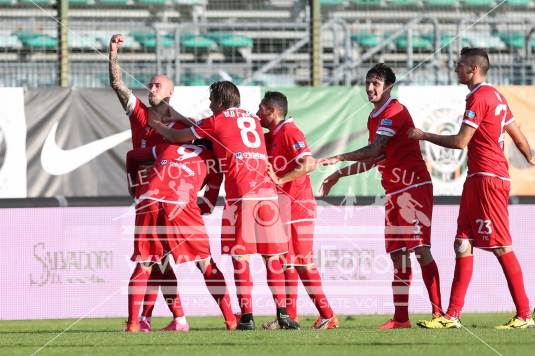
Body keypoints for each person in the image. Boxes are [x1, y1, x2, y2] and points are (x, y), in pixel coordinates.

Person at [148, 81, 300, 330]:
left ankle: (247, 316)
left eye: (211, 102)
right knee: (272, 256)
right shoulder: (252, 119)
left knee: (241, 256)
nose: (209, 106)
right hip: (268, 195)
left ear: (219, 102)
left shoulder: (216, 121)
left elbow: (177, 136)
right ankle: (283, 313)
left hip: (242, 195)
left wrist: (154, 123)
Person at [409, 47, 535, 329]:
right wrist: (530, 157)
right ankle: (452, 316)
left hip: (489, 178)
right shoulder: (497, 96)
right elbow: (516, 135)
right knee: (462, 242)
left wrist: (423, 134)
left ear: (474, 69)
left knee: (501, 245)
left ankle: (525, 314)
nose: (456, 68)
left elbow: (460, 142)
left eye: (461, 64)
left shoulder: (480, 97)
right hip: (477, 177)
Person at [319, 63, 443, 329]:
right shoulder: (374, 117)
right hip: (393, 192)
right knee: (397, 254)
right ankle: (401, 319)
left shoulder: (395, 111)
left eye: (375, 82)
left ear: (388, 86)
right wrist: (340, 174)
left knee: (420, 250)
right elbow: (375, 158)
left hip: (413, 188)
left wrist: (339, 157)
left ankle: (440, 315)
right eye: (367, 82)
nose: (370, 87)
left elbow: (375, 148)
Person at [109, 33, 192, 332]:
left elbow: (205, 150)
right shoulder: (140, 114)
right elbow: (118, 85)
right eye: (150, 84)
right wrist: (113, 53)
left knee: (155, 260)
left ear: (170, 92)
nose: (151, 87)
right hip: (147, 196)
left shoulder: (183, 123)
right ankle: (171, 318)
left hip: (172, 200)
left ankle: (145, 319)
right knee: (158, 261)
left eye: (158, 85)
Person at [124, 141, 236, 332]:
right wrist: (188, 215)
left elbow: (132, 156)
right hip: (181, 204)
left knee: (145, 263)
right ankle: (231, 320)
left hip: (148, 199)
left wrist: (134, 188)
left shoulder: (167, 146)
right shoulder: (214, 162)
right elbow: (208, 205)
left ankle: (133, 324)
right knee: (205, 264)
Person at [257, 91, 339, 330]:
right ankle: (288, 317)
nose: (256, 114)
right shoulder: (272, 135)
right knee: (287, 262)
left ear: (272, 111)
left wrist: (280, 180)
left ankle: (328, 314)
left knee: (302, 262)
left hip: (298, 205)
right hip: (284, 207)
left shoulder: (290, 131)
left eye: (260, 109)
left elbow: (309, 163)